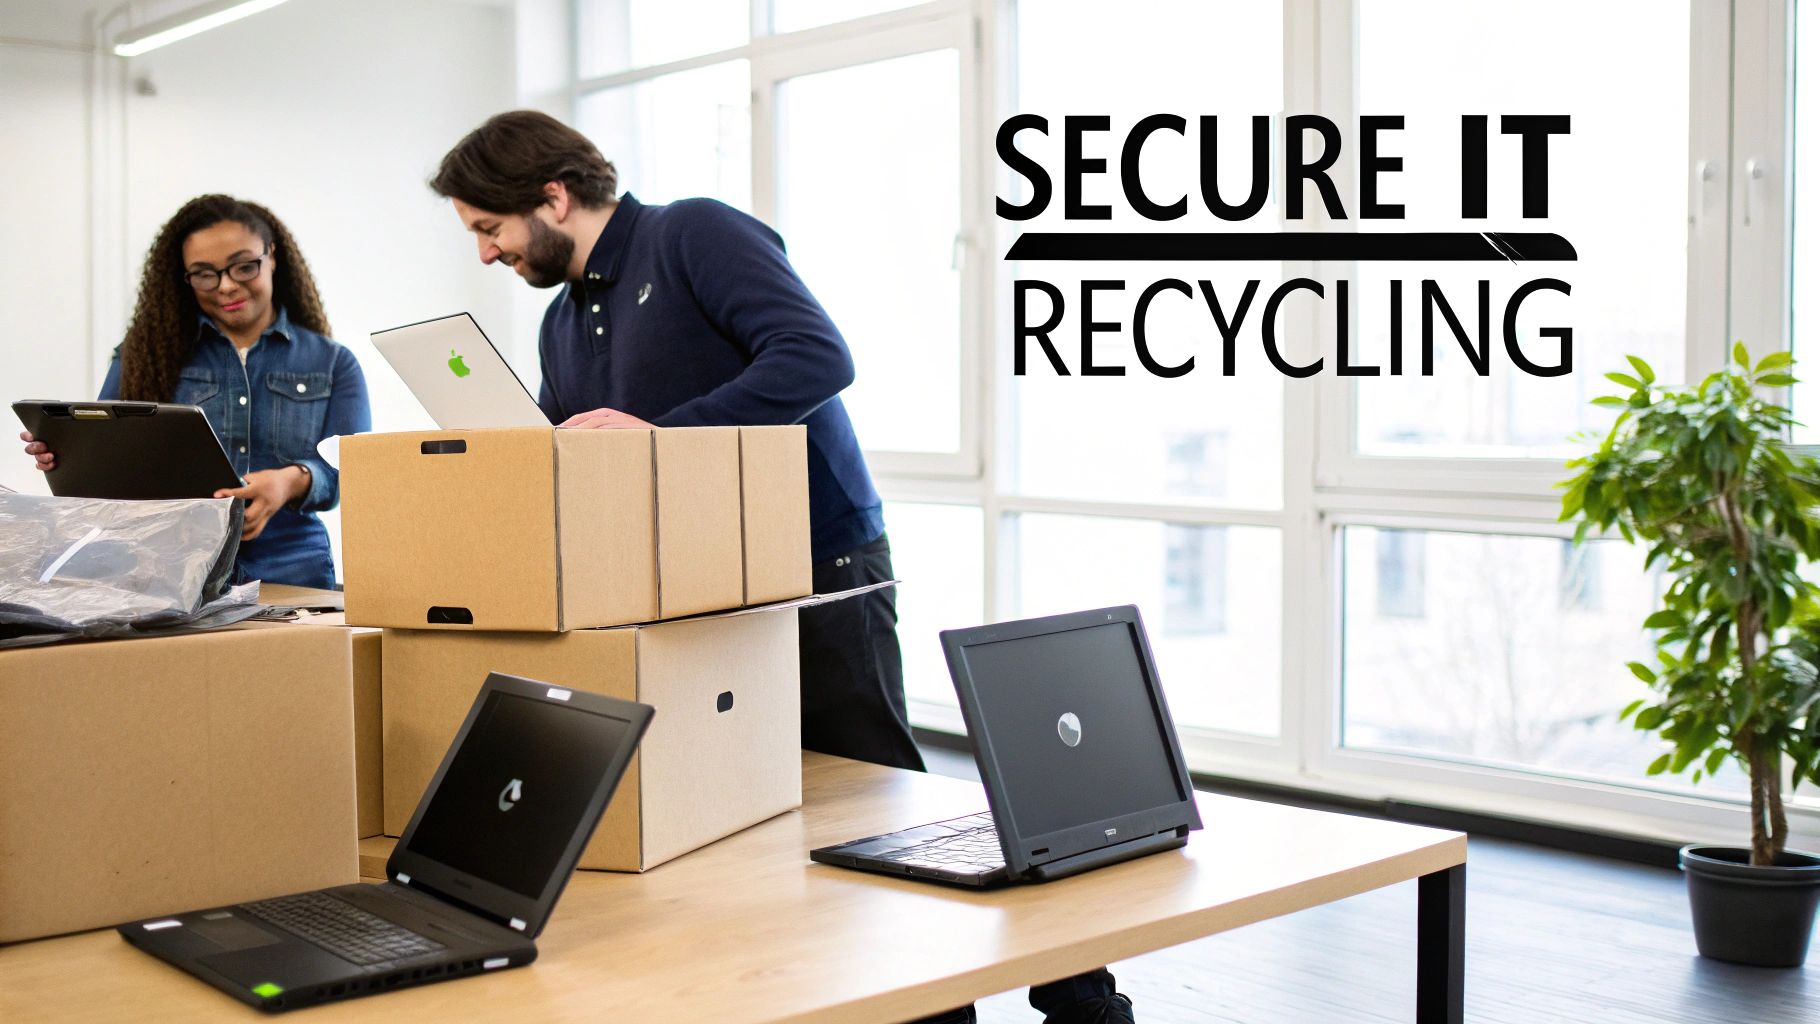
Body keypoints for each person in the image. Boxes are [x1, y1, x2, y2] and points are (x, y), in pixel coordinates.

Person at [428, 111, 1134, 1024]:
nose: (487, 255)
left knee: (880, 796)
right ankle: (919, 1007)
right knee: (775, 814)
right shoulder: (563, 326)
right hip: (703, 591)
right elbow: (594, 460)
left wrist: (662, 436)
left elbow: (816, 356)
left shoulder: (693, 233)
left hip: (820, 559)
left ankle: (1081, 1000)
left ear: (551, 197)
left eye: (489, 229)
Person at [19, 194, 370, 590]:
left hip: (292, 568)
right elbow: (109, 461)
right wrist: (69, 455)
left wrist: (290, 480)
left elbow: (355, 472)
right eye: (204, 274)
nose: (226, 286)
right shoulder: (146, 354)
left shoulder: (333, 363)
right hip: (165, 571)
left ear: (272, 255)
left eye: (243, 266)